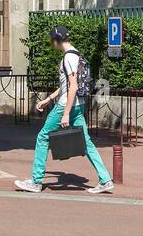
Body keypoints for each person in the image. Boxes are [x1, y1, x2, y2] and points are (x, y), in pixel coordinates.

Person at [15, 26, 113, 194]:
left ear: (56, 40)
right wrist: (48, 99)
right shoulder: (76, 54)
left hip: (65, 106)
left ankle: (36, 181)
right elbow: (66, 86)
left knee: (43, 137)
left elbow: (72, 87)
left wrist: (65, 113)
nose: (51, 44)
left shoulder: (68, 58)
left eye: (51, 40)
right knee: (86, 141)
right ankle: (105, 179)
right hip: (78, 104)